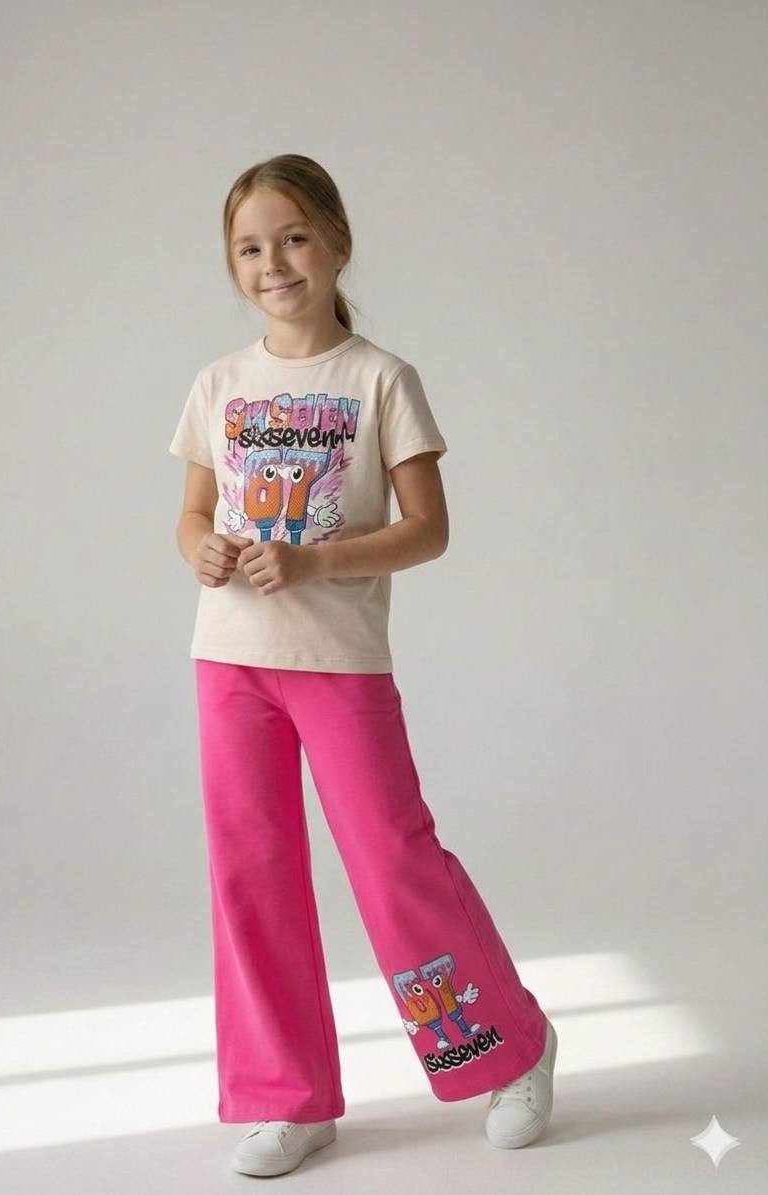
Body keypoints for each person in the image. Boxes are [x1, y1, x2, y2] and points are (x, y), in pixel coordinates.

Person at [168, 153, 558, 1178]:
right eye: (249, 248)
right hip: (228, 660)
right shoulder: (217, 383)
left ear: (337, 243)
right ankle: (287, 1095)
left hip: (338, 661)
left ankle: (508, 1048)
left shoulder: (380, 379)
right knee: (250, 870)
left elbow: (428, 529)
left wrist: (314, 560)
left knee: (391, 859)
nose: (273, 263)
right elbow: (193, 513)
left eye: (293, 238)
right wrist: (199, 548)